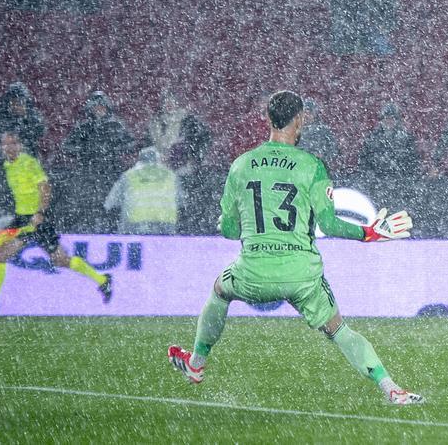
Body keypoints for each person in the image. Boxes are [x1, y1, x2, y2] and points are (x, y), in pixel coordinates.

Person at [166, 90, 424, 404]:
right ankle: (392, 389)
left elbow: (231, 232)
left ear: (268, 118)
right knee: (339, 330)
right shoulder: (311, 166)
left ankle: (197, 363)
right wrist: (369, 233)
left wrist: (229, 224)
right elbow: (330, 226)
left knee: (220, 290)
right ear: (300, 119)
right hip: (302, 275)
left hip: (253, 273)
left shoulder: (242, 165)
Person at [0, 131, 113, 316]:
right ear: (2, 147)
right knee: (57, 259)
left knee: (7, 254)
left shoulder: (29, 163)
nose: (10, 147)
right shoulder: (7, 165)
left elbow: (45, 187)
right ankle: (102, 280)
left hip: (35, 219)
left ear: (20, 145)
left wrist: (40, 212)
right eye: (6, 144)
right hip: (21, 218)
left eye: (13, 143)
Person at [103, 147, 181, 234]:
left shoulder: (129, 175)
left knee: (138, 246)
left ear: (139, 159)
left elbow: (110, 202)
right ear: (158, 159)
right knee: (161, 247)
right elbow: (182, 201)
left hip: (136, 223)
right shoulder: (171, 176)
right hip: (165, 224)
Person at [358, 103, 423, 179]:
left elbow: (413, 160)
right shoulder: (372, 138)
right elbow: (364, 159)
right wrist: (369, 174)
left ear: (397, 120)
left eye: (392, 118)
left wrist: (406, 176)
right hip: (376, 180)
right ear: (382, 120)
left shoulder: (406, 138)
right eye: (386, 118)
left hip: (400, 180)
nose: (389, 121)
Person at [0, 81, 46, 156]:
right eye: (14, 103)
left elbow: (40, 131)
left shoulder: (32, 120)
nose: (17, 106)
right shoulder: (2, 121)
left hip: (28, 160)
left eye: (20, 103)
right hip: (8, 160)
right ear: (9, 103)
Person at [296, 98, 339, 169]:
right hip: (299, 167)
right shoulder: (295, 130)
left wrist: (323, 156)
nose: (307, 115)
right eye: (305, 112)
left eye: (309, 112)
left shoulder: (323, 131)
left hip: (317, 166)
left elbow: (333, 150)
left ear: (314, 114)